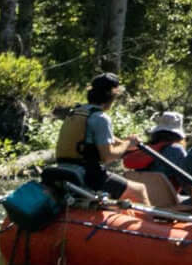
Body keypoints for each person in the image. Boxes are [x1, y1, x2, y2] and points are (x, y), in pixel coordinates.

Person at [48, 74, 145, 206]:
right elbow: (108, 156)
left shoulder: (78, 112)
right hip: (89, 176)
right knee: (139, 190)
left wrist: (125, 143)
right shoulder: (101, 118)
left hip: (65, 171)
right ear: (111, 95)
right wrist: (128, 143)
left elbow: (98, 138)